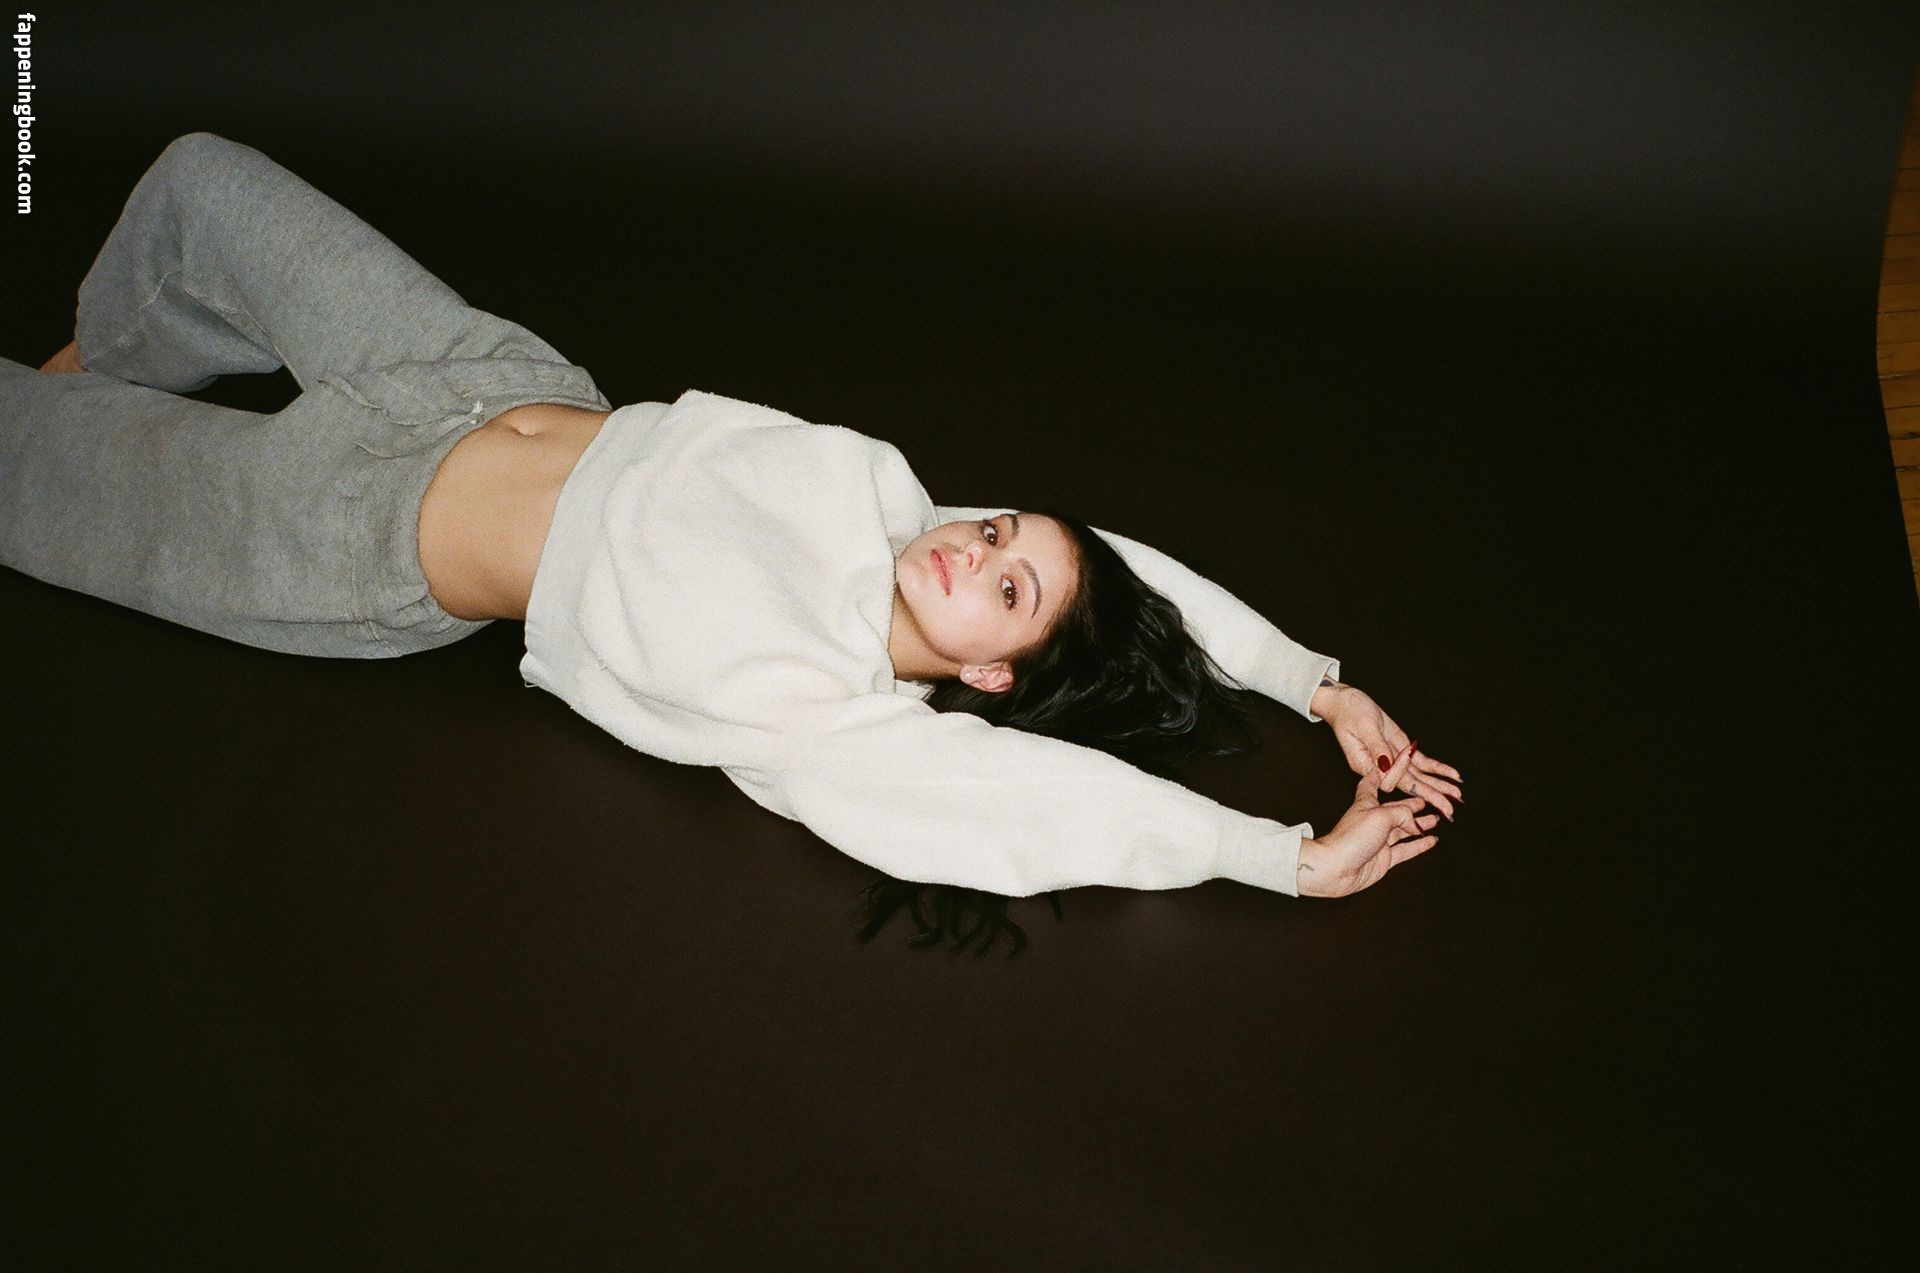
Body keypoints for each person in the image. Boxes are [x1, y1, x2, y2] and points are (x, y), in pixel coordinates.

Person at [1, 133, 1464, 952]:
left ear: (993, 678)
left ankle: (72, 435)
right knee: (199, 186)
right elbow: (1131, 575)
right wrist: (1313, 681)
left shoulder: (835, 719)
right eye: (1001, 527)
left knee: (22, 469)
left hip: (352, 532)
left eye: (1007, 585)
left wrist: (1280, 858)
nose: (977, 546)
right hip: (480, 374)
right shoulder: (897, 507)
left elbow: (1052, 807)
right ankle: (100, 383)